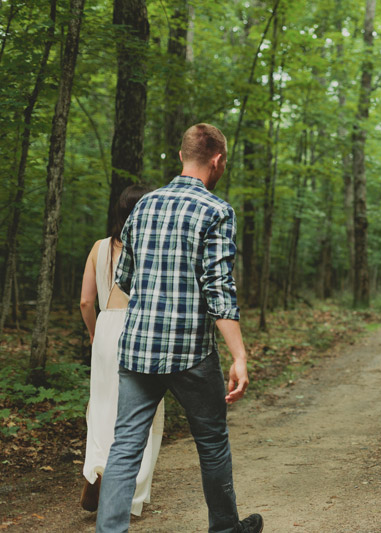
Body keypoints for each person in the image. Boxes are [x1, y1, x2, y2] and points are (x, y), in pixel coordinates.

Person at [95, 123, 262, 533]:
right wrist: (239, 356)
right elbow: (218, 290)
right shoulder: (216, 211)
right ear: (218, 160)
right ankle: (225, 529)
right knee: (211, 443)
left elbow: (126, 279)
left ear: (181, 155)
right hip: (190, 354)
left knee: (125, 446)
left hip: (137, 349)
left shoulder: (143, 207)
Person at [79, 184, 163, 515]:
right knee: (143, 411)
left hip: (105, 329)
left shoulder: (99, 248)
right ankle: (129, 495)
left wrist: (94, 334)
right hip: (138, 330)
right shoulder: (151, 248)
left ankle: (98, 468)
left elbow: (86, 301)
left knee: (102, 406)